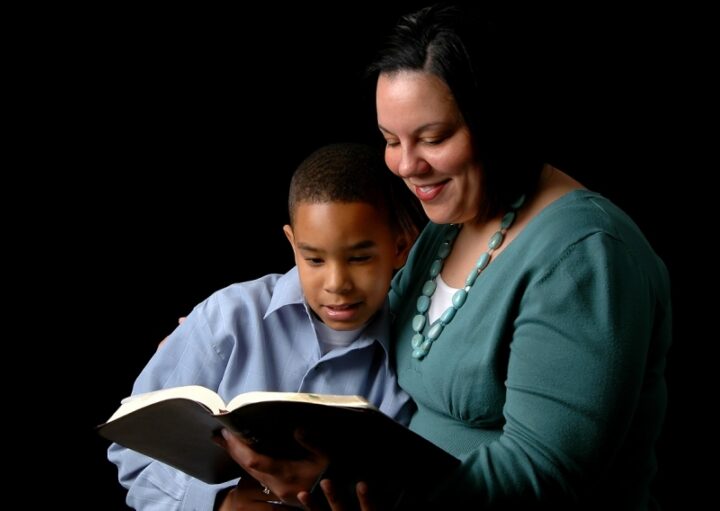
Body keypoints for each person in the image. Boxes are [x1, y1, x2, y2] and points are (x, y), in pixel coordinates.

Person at [218, 4, 672, 510]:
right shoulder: (448, 224)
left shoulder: (584, 257)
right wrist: (228, 319)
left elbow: (543, 475)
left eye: (433, 138)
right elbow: (357, 289)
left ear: (496, 122)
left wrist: (350, 481)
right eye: (391, 140)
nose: (407, 166)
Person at [107, 142, 424, 510]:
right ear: (292, 244)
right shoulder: (227, 317)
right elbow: (132, 450)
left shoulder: (410, 363)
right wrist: (220, 503)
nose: (337, 283)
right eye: (314, 258)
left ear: (400, 246)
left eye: (359, 258)